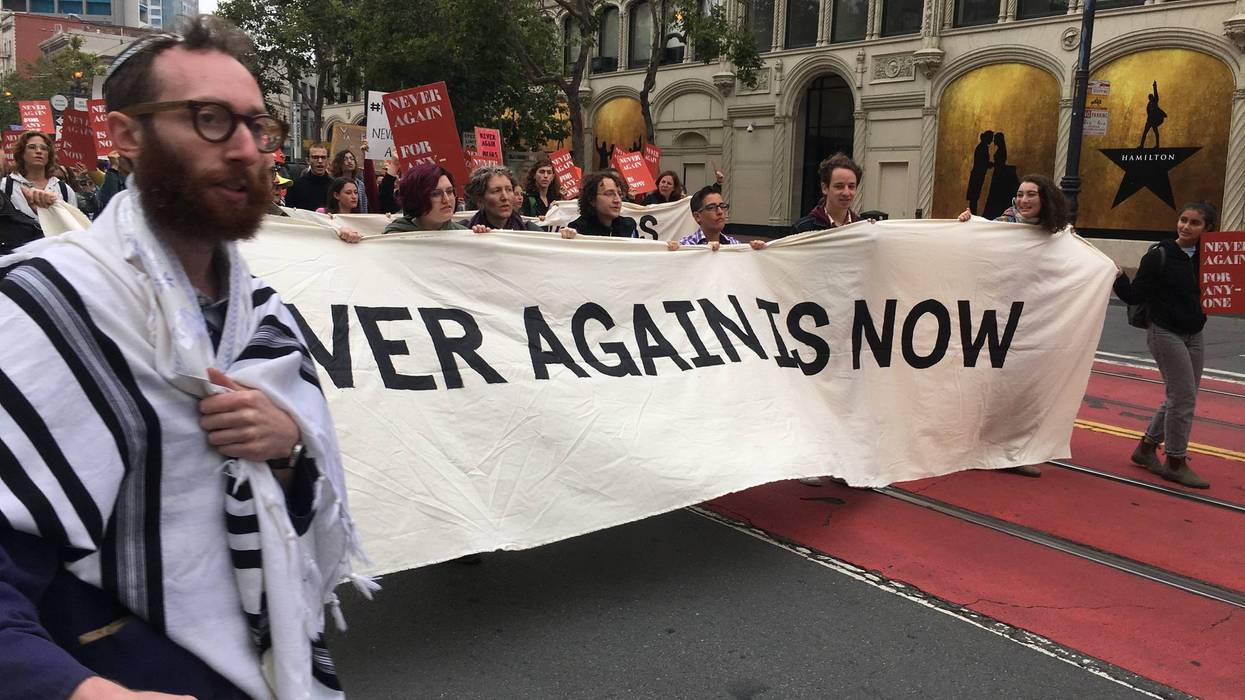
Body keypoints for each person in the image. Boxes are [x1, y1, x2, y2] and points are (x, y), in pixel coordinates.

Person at [0, 16, 369, 699]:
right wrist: (78, 692)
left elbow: (307, 509)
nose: (244, 150)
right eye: (207, 119)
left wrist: (288, 444)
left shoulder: (266, 316)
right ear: (126, 136)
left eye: (256, 126)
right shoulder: (43, 305)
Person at [1111, 203, 1217, 489]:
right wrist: (1118, 278)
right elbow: (1135, 295)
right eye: (1183, 220)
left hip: (1194, 332)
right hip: (1164, 331)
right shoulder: (1160, 254)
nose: (1186, 226)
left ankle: (1146, 448)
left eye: (1195, 223)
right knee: (1182, 396)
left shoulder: (1212, 258)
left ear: (1208, 229)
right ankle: (1175, 461)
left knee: (1183, 395)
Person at [956, 173, 1071, 234]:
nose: (1024, 200)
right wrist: (968, 222)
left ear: (1045, 199)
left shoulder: (1058, 232)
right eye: (1020, 195)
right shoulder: (1004, 223)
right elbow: (979, 237)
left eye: (1031, 194)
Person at [0, 130, 77, 222]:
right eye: (32, 147)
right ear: (21, 153)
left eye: (44, 148)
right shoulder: (5, 186)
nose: (39, 151)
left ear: (49, 155)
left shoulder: (64, 189)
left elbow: (73, 226)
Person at [667, 186, 765, 251]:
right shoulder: (685, 246)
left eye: (722, 206)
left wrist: (757, 253)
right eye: (712, 207)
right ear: (697, 216)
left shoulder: (734, 245)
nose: (720, 212)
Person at [382, 162, 470, 234]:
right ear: (416, 198)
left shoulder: (464, 234)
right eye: (435, 194)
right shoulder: (395, 236)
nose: (446, 199)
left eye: (450, 191)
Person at [792, 153, 864, 233]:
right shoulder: (802, 229)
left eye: (851, 186)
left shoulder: (863, 227)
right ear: (824, 188)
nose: (846, 193)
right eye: (839, 186)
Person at [466, 164, 544, 231]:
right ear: (480, 199)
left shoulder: (532, 232)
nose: (505, 197)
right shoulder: (463, 231)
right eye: (496, 191)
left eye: (509, 190)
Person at [562, 170, 638, 238]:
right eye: (609, 194)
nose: (617, 200)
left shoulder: (628, 227)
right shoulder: (578, 229)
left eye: (619, 194)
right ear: (592, 200)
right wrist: (567, 238)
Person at [283, 142, 332, 211]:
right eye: (315, 157)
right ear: (308, 160)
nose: (320, 161)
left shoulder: (335, 186)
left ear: (328, 160)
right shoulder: (295, 185)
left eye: (323, 157)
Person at [330, 149, 369, 213]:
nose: (349, 161)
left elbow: (364, 207)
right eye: (345, 159)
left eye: (352, 159)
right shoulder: (333, 183)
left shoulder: (360, 185)